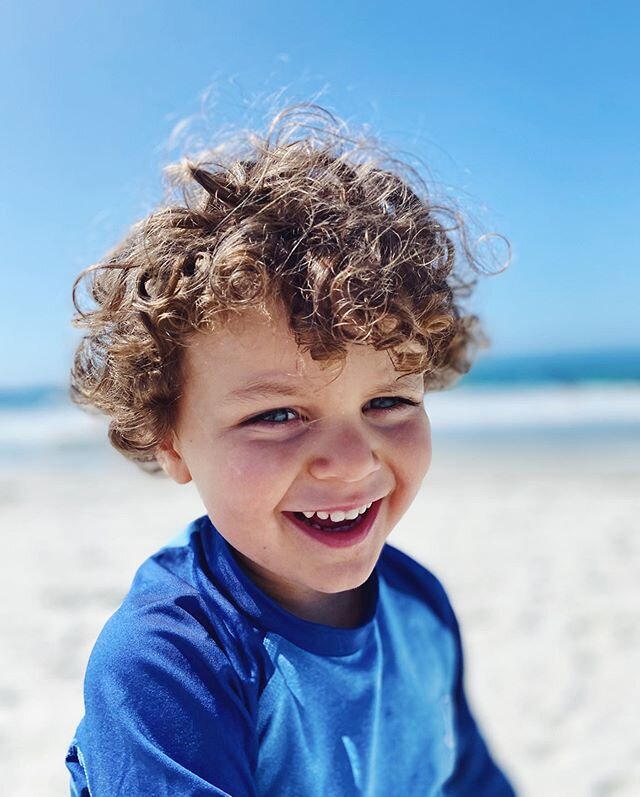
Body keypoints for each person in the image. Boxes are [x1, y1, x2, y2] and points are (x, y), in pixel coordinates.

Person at [65, 104, 516, 796]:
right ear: (170, 438)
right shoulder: (169, 665)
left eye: (388, 401)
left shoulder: (420, 606)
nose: (352, 460)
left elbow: (469, 779)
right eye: (277, 414)